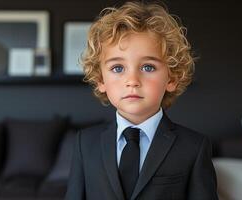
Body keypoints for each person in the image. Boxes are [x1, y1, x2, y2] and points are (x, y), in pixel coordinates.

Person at [65, 1, 219, 200]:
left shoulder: (194, 147)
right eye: (118, 68)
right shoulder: (85, 143)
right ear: (101, 80)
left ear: (171, 78)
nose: (132, 81)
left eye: (148, 67)